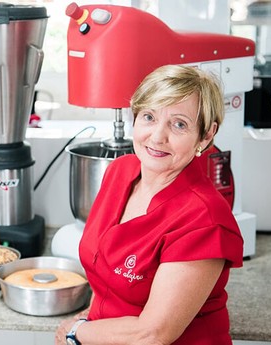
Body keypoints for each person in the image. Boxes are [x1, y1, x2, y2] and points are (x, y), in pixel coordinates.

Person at [55, 64, 244, 345]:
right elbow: (105, 275)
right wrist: (91, 318)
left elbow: (153, 334)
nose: (157, 137)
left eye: (179, 124)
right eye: (149, 117)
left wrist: (77, 332)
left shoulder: (204, 220)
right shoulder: (120, 171)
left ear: (205, 136)